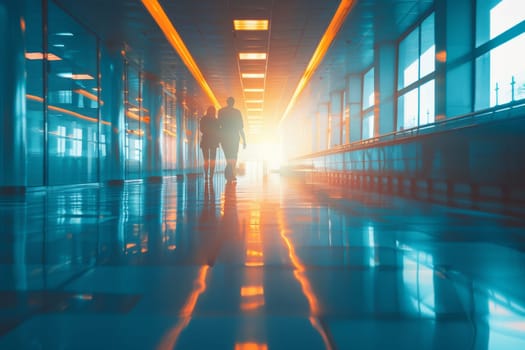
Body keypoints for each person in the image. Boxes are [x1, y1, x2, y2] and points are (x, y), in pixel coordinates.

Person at [218, 97, 246, 182]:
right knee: (234, 155)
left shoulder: (221, 112)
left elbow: (218, 126)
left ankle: (229, 173)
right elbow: (240, 128)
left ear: (227, 102)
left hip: (225, 137)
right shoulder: (237, 112)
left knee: (228, 156)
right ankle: (231, 174)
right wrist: (244, 140)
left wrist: (219, 138)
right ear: (233, 103)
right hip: (234, 137)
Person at [199, 106, 220, 180]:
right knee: (211, 159)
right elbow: (218, 131)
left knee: (207, 159)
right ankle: (210, 175)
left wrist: (207, 132)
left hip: (205, 140)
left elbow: (201, 129)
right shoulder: (216, 120)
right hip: (213, 141)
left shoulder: (203, 119)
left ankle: (208, 175)